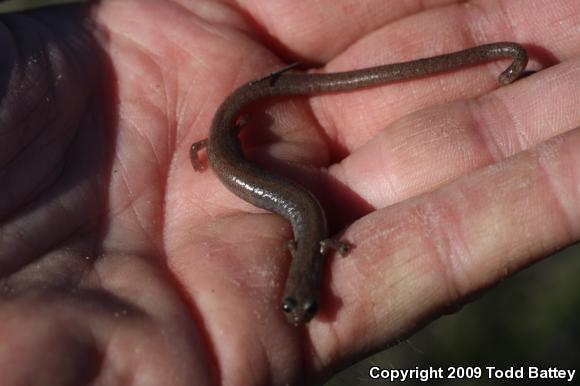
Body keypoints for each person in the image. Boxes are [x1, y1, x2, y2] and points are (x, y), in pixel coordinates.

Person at [0, 0, 577, 385]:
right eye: (299, 305)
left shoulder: (316, 244)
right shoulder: (314, 244)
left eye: (294, 304)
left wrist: (213, 151)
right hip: (232, 143)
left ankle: (506, 54)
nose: (302, 309)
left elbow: (319, 241)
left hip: (233, 141)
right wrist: (210, 151)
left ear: (294, 281)